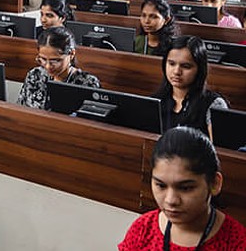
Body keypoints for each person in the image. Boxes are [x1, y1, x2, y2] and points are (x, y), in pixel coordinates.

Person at [118, 126, 246, 250]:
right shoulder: (142, 230)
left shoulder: (236, 242)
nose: (171, 200)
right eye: (161, 185)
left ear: (214, 183)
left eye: (185, 188)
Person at [152, 36, 229, 138]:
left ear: (200, 69)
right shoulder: (156, 100)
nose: (176, 72)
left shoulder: (214, 104)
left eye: (186, 66)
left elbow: (220, 151)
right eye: (171, 64)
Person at [17, 26, 100, 110]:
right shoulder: (34, 75)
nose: (48, 66)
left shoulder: (88, 83)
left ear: (71, 54)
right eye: (43, 59)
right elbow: (21, 109)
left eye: (55, 61)